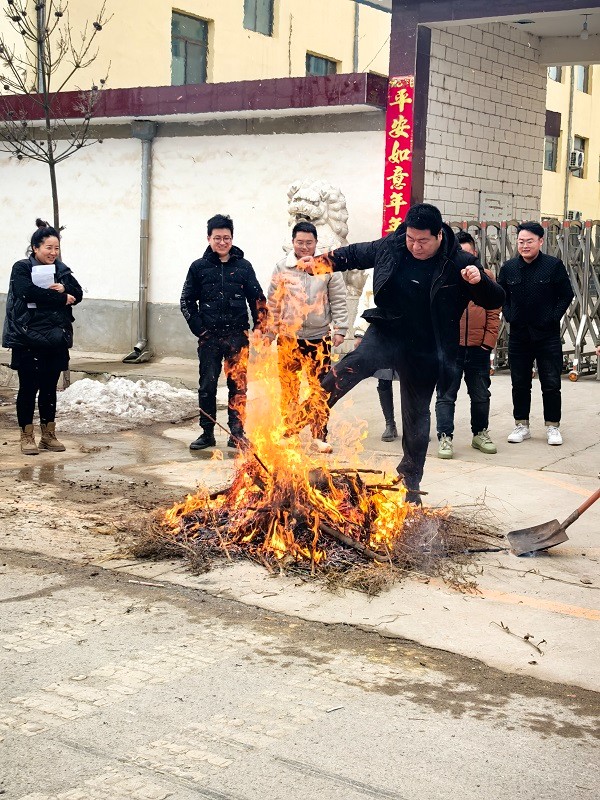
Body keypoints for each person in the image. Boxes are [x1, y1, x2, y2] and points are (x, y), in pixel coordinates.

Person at [296, 203, 505, 504]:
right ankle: (305, 415)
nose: (415, 246)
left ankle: (411, 483)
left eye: (423, 241)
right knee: (352, 364)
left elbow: (496, 299)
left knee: (417, 415)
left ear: (438, 236)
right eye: (411, 239)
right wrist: (318, 263)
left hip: (426, 347)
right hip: (388, 329)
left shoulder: (460, 262)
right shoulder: (392, 245)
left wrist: (480, 280)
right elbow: (353, 254)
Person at [180, 214, 267, 450]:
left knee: (238, 386)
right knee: (207, 385)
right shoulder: (198, 268)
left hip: (238, 337)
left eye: (226, 238)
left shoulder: (243, 267)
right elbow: (186, 301)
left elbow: (258, 300)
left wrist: (260, 327)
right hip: (210, 339)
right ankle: (207, 433)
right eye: (217, 237)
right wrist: (200, 330)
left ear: (232, 238)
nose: (222, 242)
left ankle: (237, 433)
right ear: (208, 238)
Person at [2, 218, 83, 455]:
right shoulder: (21, 268)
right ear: (35, 248)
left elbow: (77, 293)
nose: (53, 252)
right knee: (28, 388)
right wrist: (60, 297)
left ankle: (48, 434)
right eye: (48, 247)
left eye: (56, 248)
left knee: (49, 388)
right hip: (28, 338)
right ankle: (26, 436)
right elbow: (26, 292)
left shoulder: (61, 269)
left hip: (55, 338)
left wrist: (65, 290)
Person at [267, 221, 348, 452]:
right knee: (289, 389)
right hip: (288, 338)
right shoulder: (282, 267)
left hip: (319, 337)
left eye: (309, 243)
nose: (304, 247)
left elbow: (339, 299)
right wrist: (270, 330)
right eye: (300, 242)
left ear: (315, 244)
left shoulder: (326, 266)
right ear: (293, 242)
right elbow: (273, 301)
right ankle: (289, 433)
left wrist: (341, 328)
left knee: (320, 389)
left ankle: (319, 435)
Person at [498, 221, 574, 446]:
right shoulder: (509, 268)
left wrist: (552, 317)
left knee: (551, 382)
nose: (524, 245)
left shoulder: (553, 266)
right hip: (519, 335)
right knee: (519, 382)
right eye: (521, 241)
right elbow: (502, 295)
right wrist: (510, 315)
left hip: (547, 336)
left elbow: (566, 295)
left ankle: (553, 426)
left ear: (540, 241)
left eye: (529, 241)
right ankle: (522, 425)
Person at [435, 231, 501, 458]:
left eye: (468, 254)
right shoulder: (442, 277)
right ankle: (445, 437)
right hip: (450, 349)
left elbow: (494, 313)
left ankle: (480, 433)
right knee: (446, 395)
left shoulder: (486, 278)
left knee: (481, 394)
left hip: (478, 348)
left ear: (475, 255)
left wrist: (487, 343)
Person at [354, 329, 399, 442]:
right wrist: (360, 334)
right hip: (383, 337)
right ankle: (390, 425)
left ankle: (414, 427)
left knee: (411, 383)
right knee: (384, 380)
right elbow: (365, 310)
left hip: (408, 336)